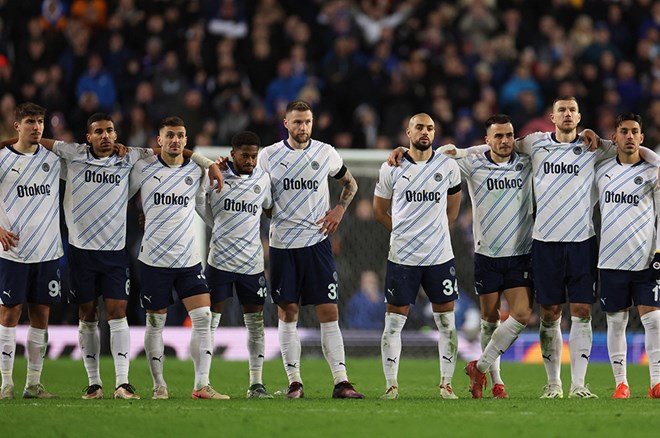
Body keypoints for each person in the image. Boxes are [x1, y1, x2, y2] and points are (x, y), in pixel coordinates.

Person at [0, 113, 222, 399]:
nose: (105, 136)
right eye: (99, 131)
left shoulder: (130, 157)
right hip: (81, 251)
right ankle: (94, 383)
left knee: (118, 313)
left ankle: (122, 382)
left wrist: (207, 163)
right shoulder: (72, 154)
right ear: (88, 136)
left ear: (116, 135)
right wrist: (11, 141)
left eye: (110, 131)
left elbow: (171, 147)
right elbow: (33, 139)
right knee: (87, 315)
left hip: (115, 251)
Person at [257, 99, 363, 399]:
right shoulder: (269, 156)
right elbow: (263, 200)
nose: (303, 127)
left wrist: (339, 210)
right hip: (282, 247)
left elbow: (350, 184)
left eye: (307, 122)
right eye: (297, 122)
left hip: (317, 244)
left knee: (329, 311)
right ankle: (295, 383)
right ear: (286, 123)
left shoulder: (325, 152)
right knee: (287, 311)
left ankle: (341, 381)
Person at [129, 116, 227, 400]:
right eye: (169, 135)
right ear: (159, 140)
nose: (175, 140)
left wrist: (210, 164)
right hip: (154, 260)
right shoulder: (144, 169)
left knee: (203, 317)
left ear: (186, 140)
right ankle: (159, 384)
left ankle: (201, 385)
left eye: (180, 135)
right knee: (155, 323)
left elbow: (204, 202)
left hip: (188, 260)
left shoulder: (197, 170)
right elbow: (121, 196)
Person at [373, 113, 462, 400]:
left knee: (447, 323)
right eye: (420, 127)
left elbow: (453, 209)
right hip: (402, 257)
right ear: (408, 131)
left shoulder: (448, 165)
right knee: (394, 323)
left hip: (439, 256)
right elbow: (378, 210)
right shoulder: (391, 167)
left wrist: (436, 232)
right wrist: (401, 233)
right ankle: (391, 386)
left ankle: (446, 384)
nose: (425, 132)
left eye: (430, 128)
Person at [455, 114, 534, 399]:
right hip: (486, 254)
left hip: (519, 253)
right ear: (487, 140)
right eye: (498, 136)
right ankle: (497, 382)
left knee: (521, 315)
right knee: (490, 319)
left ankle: (481, 365)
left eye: (509, 135)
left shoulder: (527, 163)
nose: (504, 141)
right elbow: (441, 155)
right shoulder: (473, 164)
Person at [196, 131, 274, 399]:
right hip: (219, 262)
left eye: (254, 155)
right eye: (245, 155)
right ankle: (203, 382)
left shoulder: (263, 180)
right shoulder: (217, 175)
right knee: (210, 322)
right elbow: (199, 204)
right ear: (233, 154)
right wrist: (216, 224)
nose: (250, 160)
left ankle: (256, 383)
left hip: (251, 264)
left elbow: (268, 208)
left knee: (255, 323)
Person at [595, 113, 660, 399]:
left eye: (635, 131)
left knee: (654, 321)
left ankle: (656, 382)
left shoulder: (653, 172)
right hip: (611, 259)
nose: (630, 136)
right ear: (615, 137)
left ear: (642, 138)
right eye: (624, 131)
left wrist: (659, 251)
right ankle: (621, 383)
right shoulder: (601, 171)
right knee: (616, 322)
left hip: (646, 259)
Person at [0, 102, 61, 399]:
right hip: (14, 252)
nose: (36, 127)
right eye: (30, 122)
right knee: (9, 315)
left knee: (41, 316)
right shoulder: (1, 159)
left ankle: (33, 384)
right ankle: (6, 383)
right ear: (17, 126)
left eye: (40, 121)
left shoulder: (54, 160)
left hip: (48, 251)